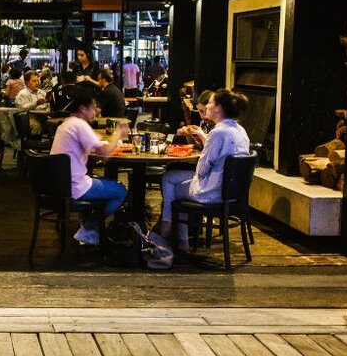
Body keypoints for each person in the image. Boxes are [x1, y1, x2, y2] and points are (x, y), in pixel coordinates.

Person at [153, 89, 251, 253]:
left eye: (210, 103)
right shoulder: (241, 130)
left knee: (171, 180)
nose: (207, 108)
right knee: (173, 178)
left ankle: (168, 227)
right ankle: (179, 237)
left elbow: (202, 169)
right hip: (231, 194)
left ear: (218, 107)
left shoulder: (218, 132)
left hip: (213, 193)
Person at [51, 87, 129, 246]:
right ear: (83, 109)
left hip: (57, 186)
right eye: (93, 108)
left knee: (105, 182)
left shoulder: (67, 124)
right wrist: (118, 133)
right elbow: (105, 153)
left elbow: (96, 144)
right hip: (74, 187)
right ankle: (90, 228)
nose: (95, 112)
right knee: (120, 190)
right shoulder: (79, 125)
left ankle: (89, 227)